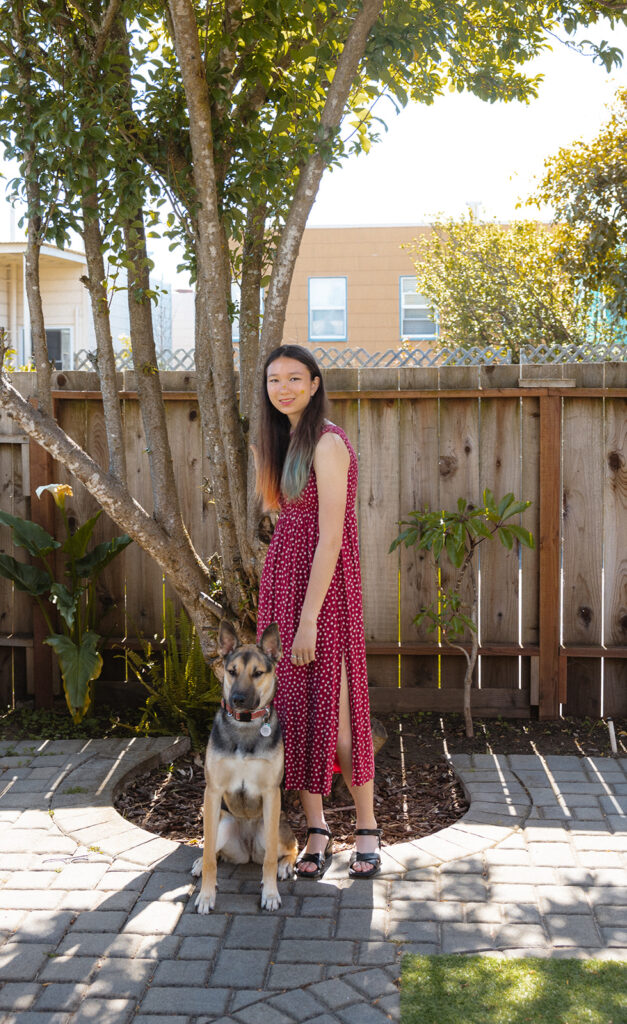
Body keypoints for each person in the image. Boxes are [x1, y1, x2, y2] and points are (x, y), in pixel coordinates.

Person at [255, 344, 381, 878]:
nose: (282, 388)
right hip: (283, 588)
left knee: (343, 723)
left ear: (313, 383)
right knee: (298, 715)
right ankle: (317, 830)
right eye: (273, 380)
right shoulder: (284, 441)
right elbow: (287, 523)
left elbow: (330, 538)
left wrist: (307, 619)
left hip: (322, 596)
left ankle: (369, 828)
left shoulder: (328, 442)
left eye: (293, 378)